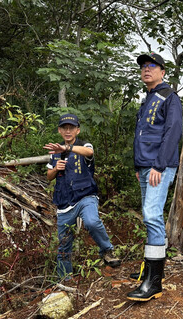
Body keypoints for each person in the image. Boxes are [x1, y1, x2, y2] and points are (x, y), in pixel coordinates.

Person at [127, 52, 183, 301]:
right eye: (143, 67)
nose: (146, 70)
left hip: (159, 167)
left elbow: (173, 132)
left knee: (151, 214)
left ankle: (155, 283)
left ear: (162, 72)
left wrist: (159, 166)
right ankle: (149, 272)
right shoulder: (147, 99)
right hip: (145, 167)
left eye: (152, 66)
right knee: (149, 218)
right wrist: (139, 165)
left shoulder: (169, 97)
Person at [44, 113, 121, 280]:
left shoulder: (83, 145)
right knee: (64, 245)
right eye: (64, 128)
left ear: (77, 130)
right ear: (59, 130)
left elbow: (89, 152)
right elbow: (49, 176)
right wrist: (56, 168)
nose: (68, 131)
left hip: (85, 196)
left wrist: (67, 148)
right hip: (64, 201)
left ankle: (107, 251)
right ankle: (66, 281)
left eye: (71, 128)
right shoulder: (54, 153)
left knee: (92, 221)